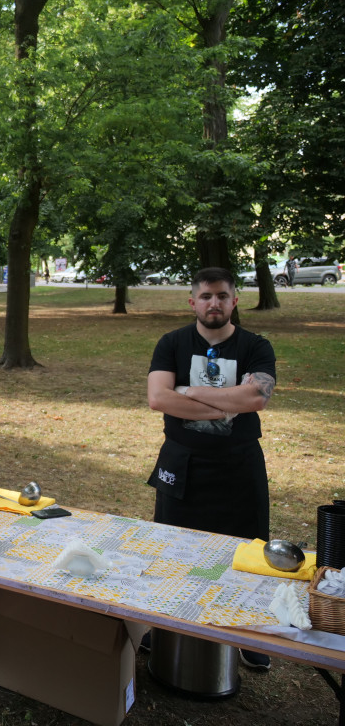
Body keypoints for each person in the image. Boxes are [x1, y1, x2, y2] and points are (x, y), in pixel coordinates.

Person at [145, 266, 276, 670]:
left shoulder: (256, 345)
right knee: (173, 548)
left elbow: (255, 398)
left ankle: (248, 633)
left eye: (221, 295)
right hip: (182, 462)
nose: (214, 303)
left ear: (234, 300)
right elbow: (157, 399)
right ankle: (164, 624)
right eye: (205, 296)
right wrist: (226, 400)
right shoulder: (172, 343)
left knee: (248, 550)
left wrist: (189, 392)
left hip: (239, 464)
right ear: (193, 302)